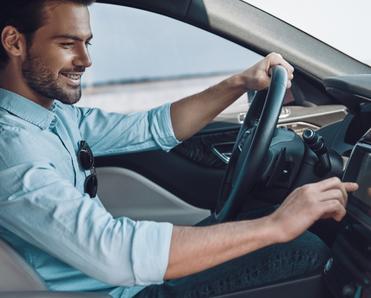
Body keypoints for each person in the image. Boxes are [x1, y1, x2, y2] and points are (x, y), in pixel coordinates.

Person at [0, 1, 358, 297]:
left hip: (127, 282)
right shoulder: (13, 154)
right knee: (303, 253)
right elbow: (116, 253)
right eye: (67, 44)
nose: (85, 60)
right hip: (122, 290)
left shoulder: (54, 115)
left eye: (86, 43)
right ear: (15, 42)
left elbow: (151, 128)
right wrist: (276, 225)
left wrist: (239, 83)